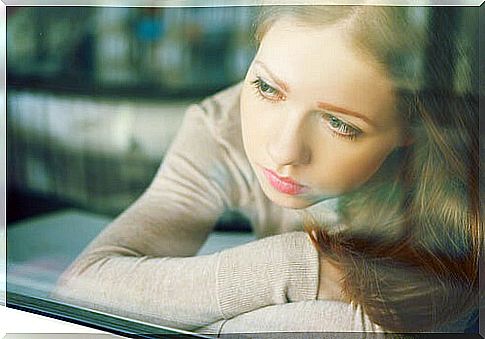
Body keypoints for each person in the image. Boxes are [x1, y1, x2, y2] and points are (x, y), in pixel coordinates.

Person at [53, 5, 482, 335]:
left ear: (411, 127)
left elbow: (374, 331)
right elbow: (84, 288)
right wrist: (302, 268)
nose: (281, 149)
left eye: (340, 124)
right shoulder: (223, 125)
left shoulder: (456, 175)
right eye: (265, 87)